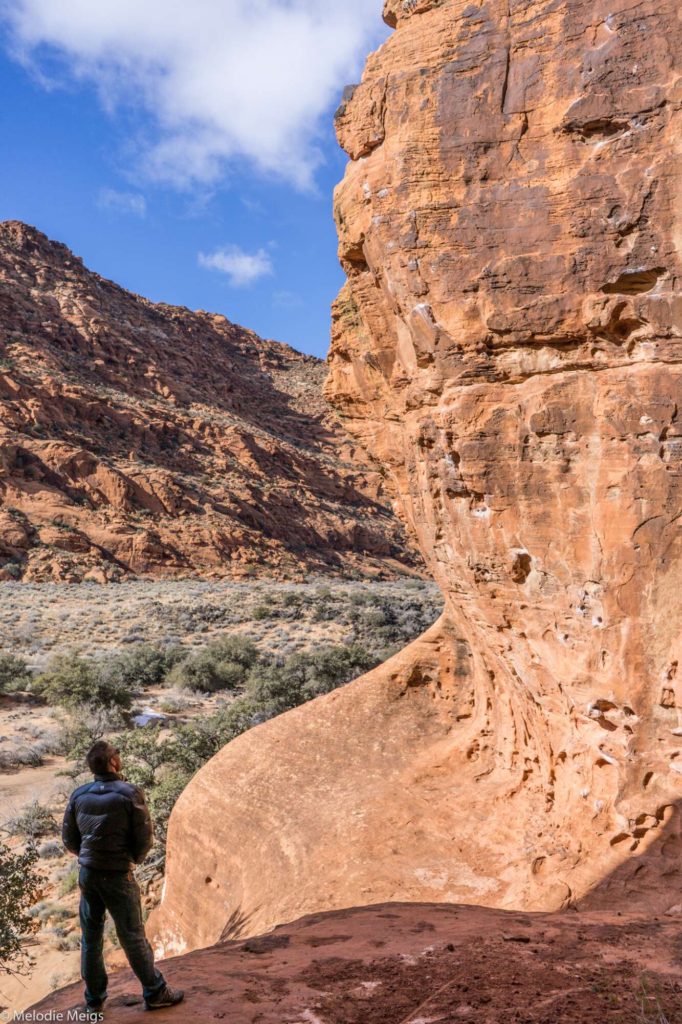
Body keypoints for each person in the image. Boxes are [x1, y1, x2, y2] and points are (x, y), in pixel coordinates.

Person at [62, 739, 184, 1012]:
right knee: (131, 935)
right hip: (118, 875)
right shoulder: (130, 793)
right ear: (113, 763)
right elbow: (145, 838)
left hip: (89, 874)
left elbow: (69, 839)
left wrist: (89, 858)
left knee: (91, 937)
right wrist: (131, 861)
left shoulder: (79, 795)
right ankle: (155, 992)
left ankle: (94, 1000)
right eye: (117, 754)